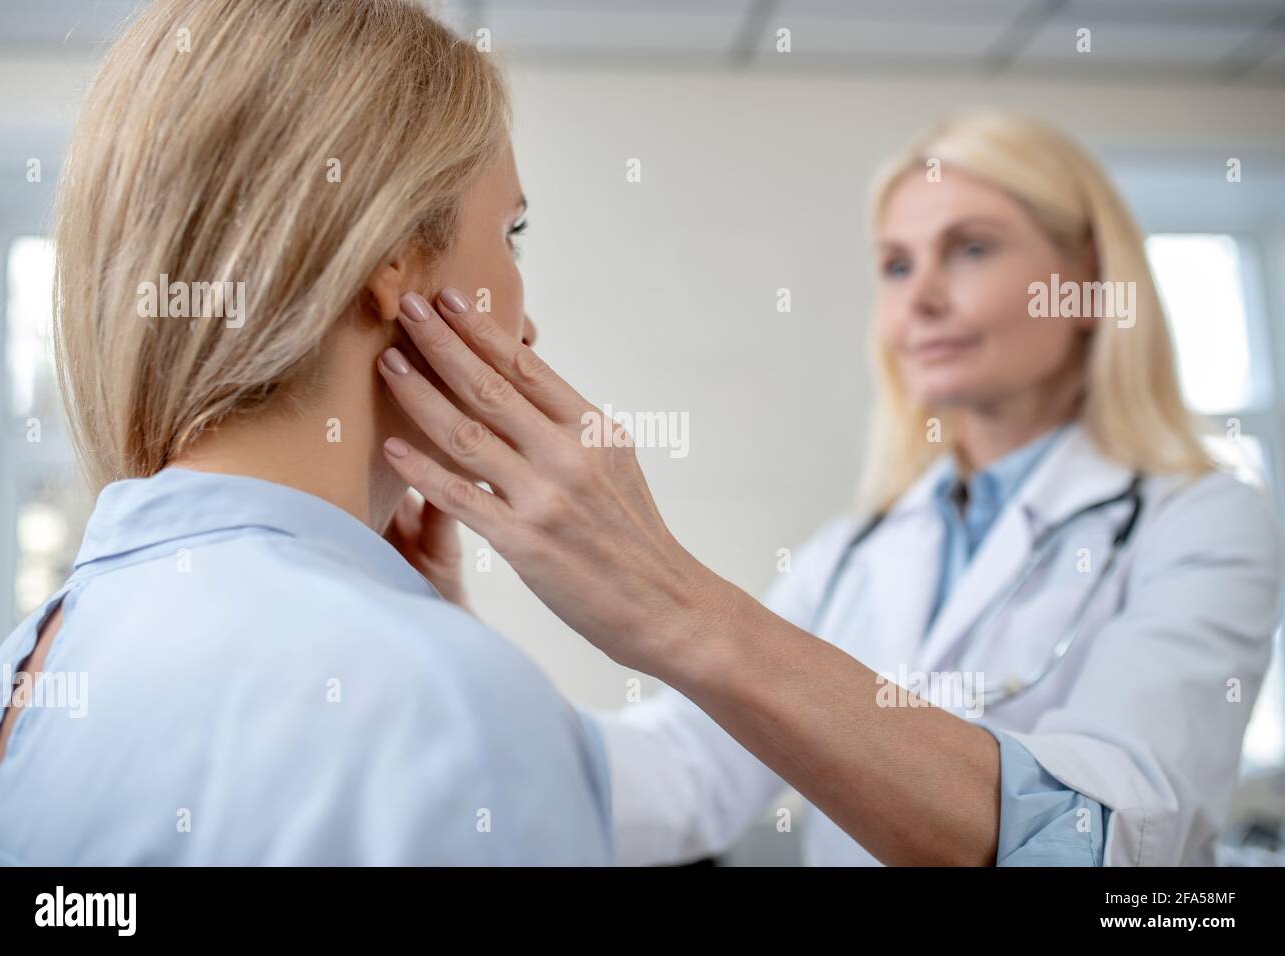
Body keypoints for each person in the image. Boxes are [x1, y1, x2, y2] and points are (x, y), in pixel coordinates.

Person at [374, 112, 1283, 866]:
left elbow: (1106, 842)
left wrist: (671, 601)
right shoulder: (855, 554)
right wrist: (462, 652)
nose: (918, 297)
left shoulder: (1202, 520)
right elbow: (680, 782)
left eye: (968, 250)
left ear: (1084, 279)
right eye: (895, 264)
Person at [0, 0, 608, 865]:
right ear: (390, 258)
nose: (527, 326)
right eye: (513, 235)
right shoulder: (457, 713)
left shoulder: (29, 669)